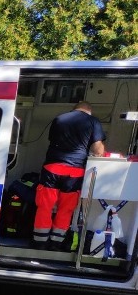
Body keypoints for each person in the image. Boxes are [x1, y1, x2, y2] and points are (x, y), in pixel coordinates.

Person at [32, 101, 106, 249]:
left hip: (52, 167)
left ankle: (39, 243)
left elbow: (53, 140)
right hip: (74, 171)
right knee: (66, 208)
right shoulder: (93, 121)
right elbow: (98, 151)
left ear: (74, 110)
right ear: (89, 111)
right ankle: (56, 243)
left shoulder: (59, 119)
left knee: (45, 206)